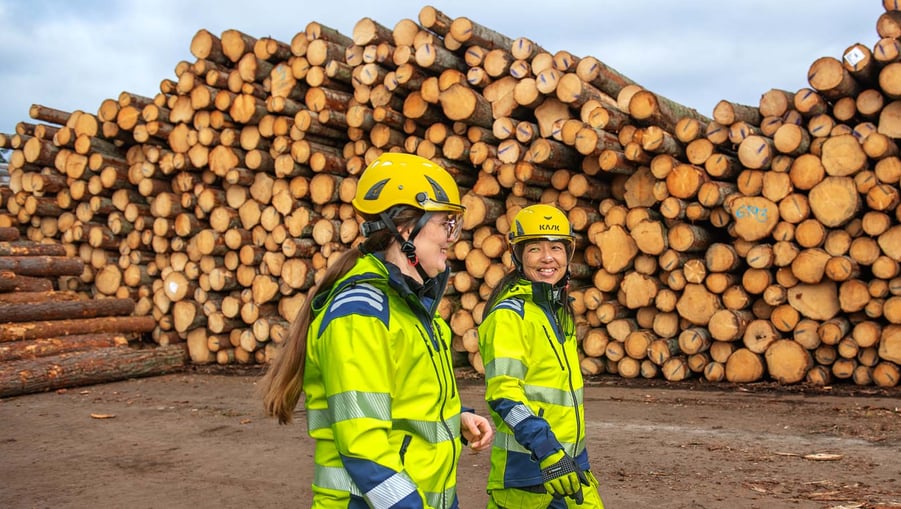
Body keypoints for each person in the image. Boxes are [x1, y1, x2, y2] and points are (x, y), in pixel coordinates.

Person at [260, 152, 494, 508]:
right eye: (445, 224)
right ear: (405, 229)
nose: (452, 237)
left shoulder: (409, 308)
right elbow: (363, 444)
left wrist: (455, 419)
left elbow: (402, 405)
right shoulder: (360, 315)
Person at [478, 204, 605, 508]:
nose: (548, 258)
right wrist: (547, 449)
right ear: (518, 256)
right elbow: (504, 396)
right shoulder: (509, 316)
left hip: (572, 467)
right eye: (535, 248)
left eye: (557, 248)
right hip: (528, 479)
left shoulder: (558, 313)